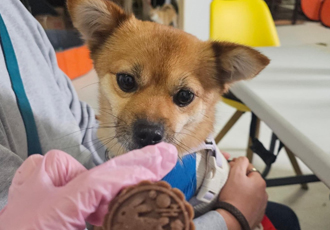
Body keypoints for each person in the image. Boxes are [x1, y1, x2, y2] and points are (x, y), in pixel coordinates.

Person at [0, 0, 300, 229]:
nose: (151, 123)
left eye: (183, 96)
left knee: (284, 217)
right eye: (128, 82)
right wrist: (232, 217)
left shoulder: (15, 14)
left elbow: (76, 117)